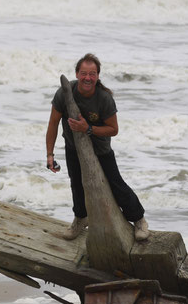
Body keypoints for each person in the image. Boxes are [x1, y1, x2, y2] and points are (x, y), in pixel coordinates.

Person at [46, 53, 149, 241]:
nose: (87, 78)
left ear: (98, 76)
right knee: (76, 185)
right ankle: (80, 218)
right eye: (84, 73)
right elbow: (52, 124)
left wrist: (88, 129)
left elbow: (113, 129)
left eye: (92, 74)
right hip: (73, 148)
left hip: (101, 150)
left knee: (116, 185)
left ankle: (139, 220)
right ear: (77, 74)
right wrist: (50, 155)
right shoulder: (64, 92)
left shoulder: (104, 99)